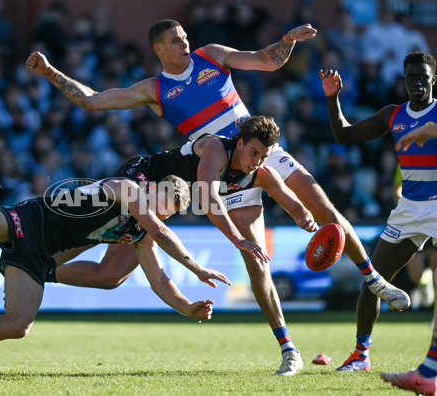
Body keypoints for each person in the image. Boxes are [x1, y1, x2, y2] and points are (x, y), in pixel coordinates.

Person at [26, 19, 409, 375]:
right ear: (159, 49)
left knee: (321, 205)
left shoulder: (211, 55)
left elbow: (265, 61)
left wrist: (287, 42)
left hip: (257, 147)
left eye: (184, 37)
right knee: (243, 261)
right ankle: (289, 350)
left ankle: (373, 279)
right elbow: (92, 100)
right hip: (219, 169)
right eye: (175, 40)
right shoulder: (154, 90)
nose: (184, 42)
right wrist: (48, 73)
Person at [0, 172, 228, 378]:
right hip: (26, 220)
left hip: (38, 255)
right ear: (157, 190)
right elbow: (160, 233)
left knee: (18, 325)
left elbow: (160, 280)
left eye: (170, 213)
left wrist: (187, 308)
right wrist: (197, 266)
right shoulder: (128, 188)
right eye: (167, 205)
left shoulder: (143, 231)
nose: (164, 215)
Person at [319, 50, 437, 373]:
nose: (417, 83)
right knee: (373, 281)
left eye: (422, 78)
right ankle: (361, 355)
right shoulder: (393, 115)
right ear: (404, 80)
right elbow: (344, 134)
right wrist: (333, 98)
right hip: (409, 209)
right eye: (411, 78)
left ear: (433, 80)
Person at [379, 123, 437, 394]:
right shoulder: (406, 163)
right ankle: (427, 373)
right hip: (414, 216)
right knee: (416, 273)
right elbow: (397, 189)